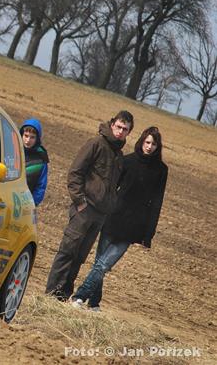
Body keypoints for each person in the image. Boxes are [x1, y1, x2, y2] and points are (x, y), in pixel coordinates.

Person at [71, 127, 167, 311]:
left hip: (133, 227)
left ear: (158, 146)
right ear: (141, 142)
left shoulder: (161, 170)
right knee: (100, 263)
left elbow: (157, 202)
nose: (150, 146)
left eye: (154, 144)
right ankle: (94, 304)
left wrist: (149, 234)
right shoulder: (127, 161)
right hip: (112, 219)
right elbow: (111, 188)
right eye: (147, 142)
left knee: (104, 264)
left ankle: (79, 296)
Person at [45, 110, 134, 301]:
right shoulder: (96, 144)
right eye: (118, 126)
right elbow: (75, 173)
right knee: (67, 251)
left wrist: (110, 206)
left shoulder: (119, 155)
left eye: (125, 129)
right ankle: (51, 294)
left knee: (80, 256)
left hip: (100, 215)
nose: (120, 131)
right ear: (112, 125)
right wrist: (80, 201)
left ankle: (62, 296)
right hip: (84, 210)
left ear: (129, 133)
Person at [20, 119, 49, 206]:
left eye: (32, 137)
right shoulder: (11, 149)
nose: (28, 140)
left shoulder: (41, 159)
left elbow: (41, 186)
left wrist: (32, 203)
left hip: (25, 204)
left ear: (37, 139)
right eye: (26, 135)